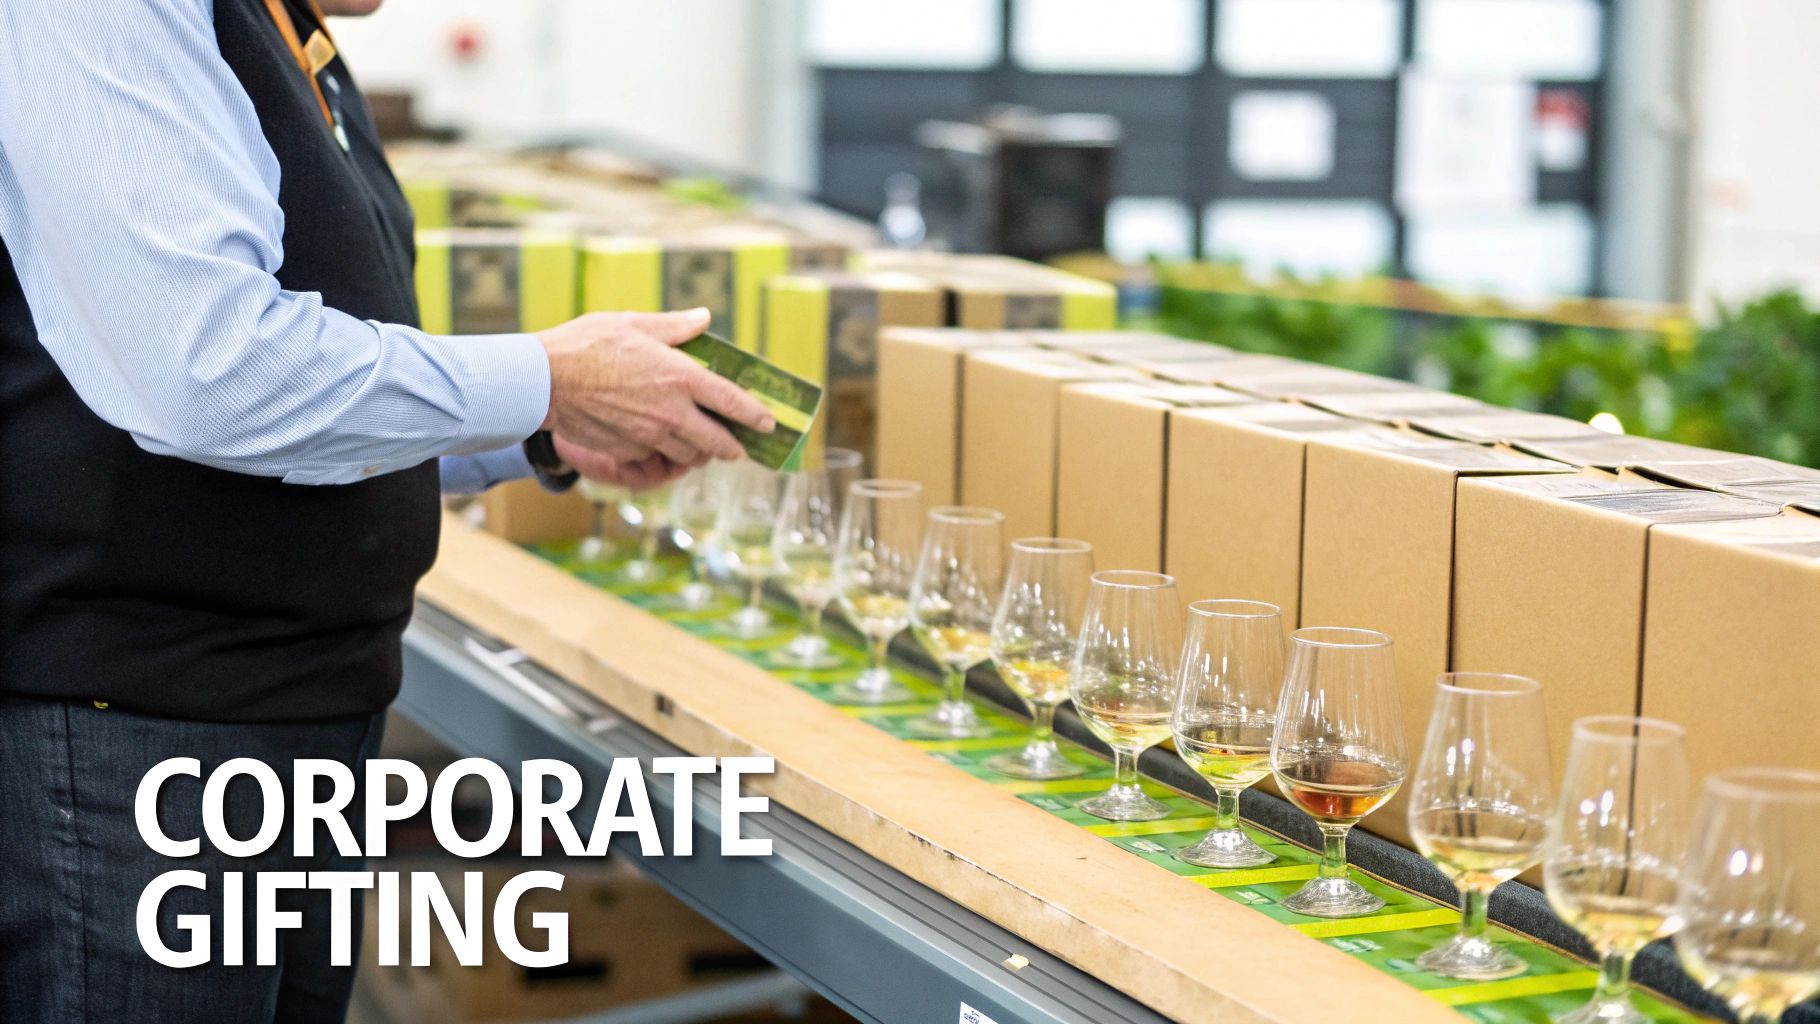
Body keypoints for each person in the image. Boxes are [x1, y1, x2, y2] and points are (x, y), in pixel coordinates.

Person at [0, 1, 772, 1021]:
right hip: (139, 730)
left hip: (290, 706)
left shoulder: (286, 33)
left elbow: (304, 402)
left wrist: (536, 431)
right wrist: (545, 376)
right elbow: (213, 372)